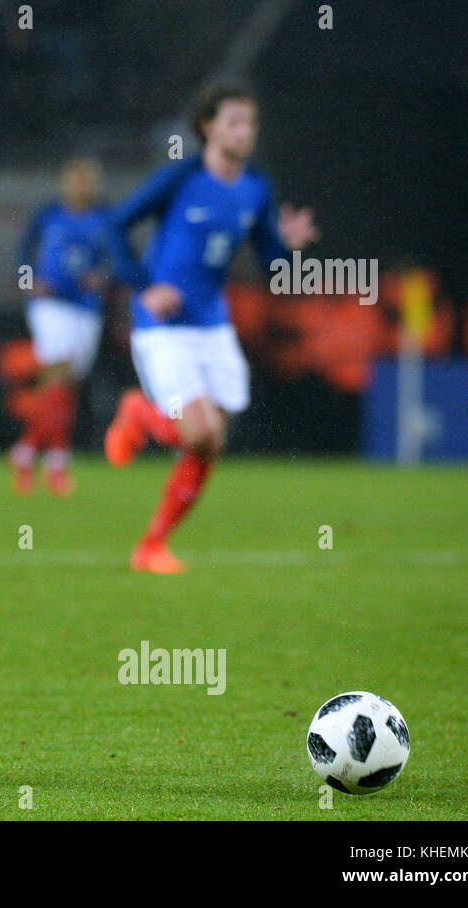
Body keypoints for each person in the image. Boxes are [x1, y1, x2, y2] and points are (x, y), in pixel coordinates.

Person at [102, 86, 318, 573]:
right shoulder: (180, 179)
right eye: (234, 122)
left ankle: (152, 545)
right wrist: (143, 286)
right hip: (164, 326)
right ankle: (138, 412)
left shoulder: (257, 186)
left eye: (250, 124)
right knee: (200, 434)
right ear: (209, 127)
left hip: (213, 327)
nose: (244, 132)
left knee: (211, 443)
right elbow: (114, 225)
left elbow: (270, 263)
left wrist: (289, 247)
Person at [9, 158, 110, 496]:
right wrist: (29, 281)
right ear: (65, 183)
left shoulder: (105, 218)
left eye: (87, 181)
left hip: (86, 307)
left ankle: (26, 452)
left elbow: (119, 259)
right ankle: (56, 462)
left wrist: (105, 277)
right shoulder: (48, 213)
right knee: (59, 370)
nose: (81, 187)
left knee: (66, 385)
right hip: (51, 304)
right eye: (75, 180)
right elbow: (23, 251)